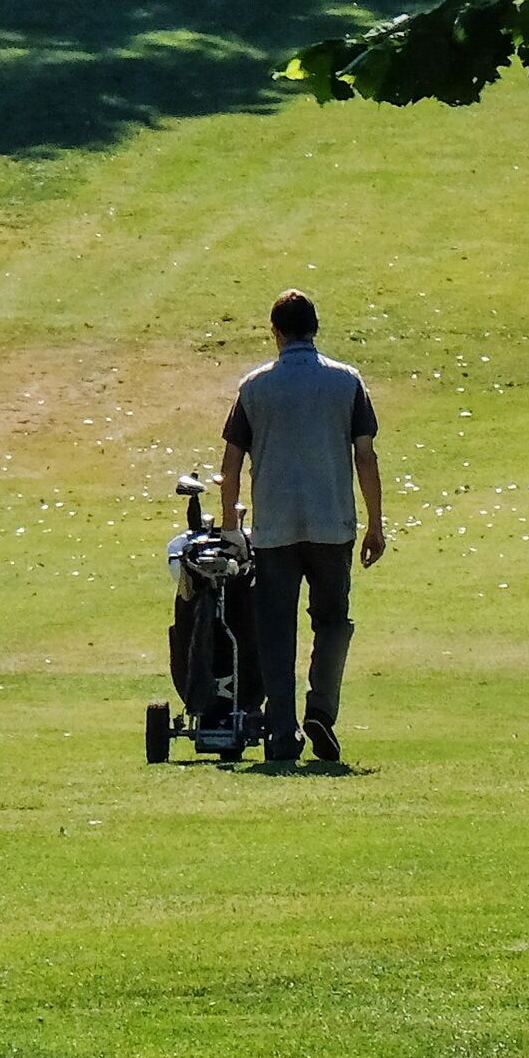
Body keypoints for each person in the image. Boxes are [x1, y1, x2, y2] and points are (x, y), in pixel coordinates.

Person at [217, 288, 387, 769]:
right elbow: (366, 456)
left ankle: (281, 731)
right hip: (332, 522)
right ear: (315, 329)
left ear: (276, 332)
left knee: (276, 629)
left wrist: (231, 525)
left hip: (274, 528)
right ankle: (321, 711)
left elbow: (231, 464)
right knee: (332, 622)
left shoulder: (254, 388)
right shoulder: (346, 382)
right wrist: (375, 523)